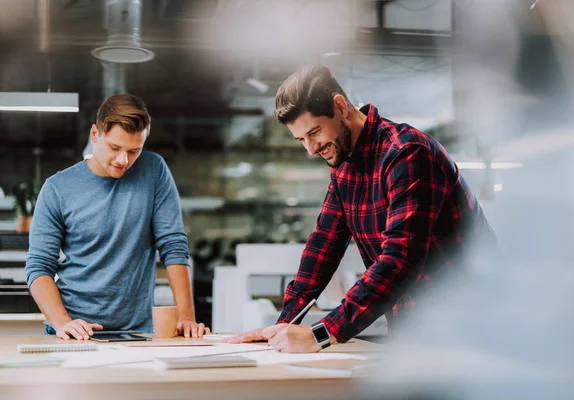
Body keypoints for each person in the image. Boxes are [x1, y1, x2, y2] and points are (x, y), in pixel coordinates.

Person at [225, 65, 496, 352]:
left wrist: (322, 333)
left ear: (340, 106)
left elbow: (400, 260)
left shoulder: (406, 153)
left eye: (314, 132)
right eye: (301, 139)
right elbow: (322, 248)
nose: (310, 149)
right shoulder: (344, 167)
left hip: (471, 327)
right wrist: (283, 326)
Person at [25, 94, 209, 340]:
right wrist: (63, 322)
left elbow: (173, 246)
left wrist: (186, 317)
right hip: (73, 331)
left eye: (134, 151)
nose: (123, 160)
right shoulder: (57, 188)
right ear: (94, 134)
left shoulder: (154, 171)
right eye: (114, 148)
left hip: (137, 331)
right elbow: (39, 266)